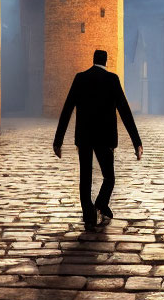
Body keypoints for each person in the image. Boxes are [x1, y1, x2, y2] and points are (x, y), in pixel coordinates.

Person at [53, 49, 143, 230]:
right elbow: (125, 111)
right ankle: (101, 203)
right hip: (105, 137)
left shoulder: (80, 78)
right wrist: (136, 142)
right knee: (109, 177)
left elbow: (67, 109)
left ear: (93, 60)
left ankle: (88, 215)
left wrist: (58, 141)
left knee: (85, 177)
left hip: (84, 136)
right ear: (106, 61)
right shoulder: (112, 79)